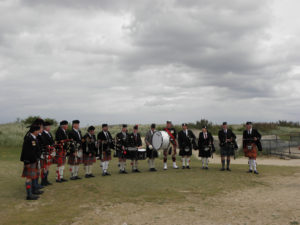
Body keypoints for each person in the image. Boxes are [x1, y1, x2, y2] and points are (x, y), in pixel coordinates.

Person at [20, 125, 43, 200]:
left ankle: (33, 190)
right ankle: (29, 195)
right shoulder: (29, 138)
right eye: (38, 130)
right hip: (29, 161)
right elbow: (25, 151)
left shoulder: (33, 138)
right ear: (34, 131)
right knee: (29, 178)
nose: (39, 131)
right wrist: (26, 162)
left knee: (33, 176)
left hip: (34, 160)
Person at [39, 121, 55, 186]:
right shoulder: (43, 134)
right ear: (45, 127)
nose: (50, 127)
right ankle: (43, 181)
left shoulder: (49, 133)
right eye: (49, 126)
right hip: (45, 152)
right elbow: (44, 143)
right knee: (44, 167)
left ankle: (46, 180)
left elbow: (52, 141)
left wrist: (53, 146)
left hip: (49, 152)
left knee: (47, 167)